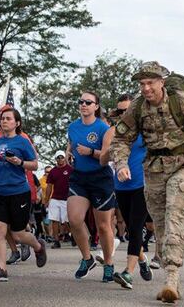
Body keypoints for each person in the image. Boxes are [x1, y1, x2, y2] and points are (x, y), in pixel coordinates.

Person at [110, 61, 184, 304]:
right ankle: (173, 280)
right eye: (142, 84)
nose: (146, 88)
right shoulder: (138, 107)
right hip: (153, 170)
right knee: (159, 224)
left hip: (182, 166)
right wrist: (121, 164)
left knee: (174, 216)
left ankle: (170, 277)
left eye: (150, 83)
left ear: (162, 82)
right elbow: (121, 138)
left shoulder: (183, 102)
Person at [0, 107, 47, 282]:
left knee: (17, 234)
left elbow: (35, 165)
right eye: (2, 118)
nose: (4, 121)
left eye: (8, 118)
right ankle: (1, 269)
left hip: (18, 193)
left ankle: (38, 246)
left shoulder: (22, 142)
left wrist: (19, 162)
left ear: (17, 123)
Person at [100, 94, 154, 289]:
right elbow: (103, 161)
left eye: (128, 110)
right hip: (121, 186)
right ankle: (142, 260)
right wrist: (111, 147)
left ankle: (128, 273)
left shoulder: (147, 130)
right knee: (131, 228)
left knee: (136, 225)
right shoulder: (112, 132)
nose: (124, 114)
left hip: (143, 184)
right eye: (120, 111)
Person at [65, 91, 117, 282]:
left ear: (96, 106)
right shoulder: (73, 126)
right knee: (74, 219)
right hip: (79, 177)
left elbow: (107, 156)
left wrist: (90, 152)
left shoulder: (103, 128)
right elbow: (70, 144)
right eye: (81, 102)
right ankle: (87, 259)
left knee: (103, 226)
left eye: (88, 102)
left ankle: (109, 263)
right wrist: (69, 154)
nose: (84, 105)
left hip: (100, 178)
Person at [46, 152, 72, 248]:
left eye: (61, 157)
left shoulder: (70, 170)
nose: (60, 159)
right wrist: (46, 200)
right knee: (54, 220)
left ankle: (71, 235)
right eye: (58, 158)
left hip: (68, 199)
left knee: (67, 221)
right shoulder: (53, 171)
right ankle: (56, 241)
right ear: (55, 159)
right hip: (55, 198)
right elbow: (49, 186)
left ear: (65, 158)